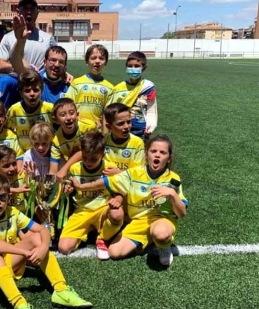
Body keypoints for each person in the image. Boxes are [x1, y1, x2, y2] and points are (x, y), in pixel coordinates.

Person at [0, 173, 93, 309]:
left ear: (9, 197)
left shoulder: (13, 212)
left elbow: (42, 230)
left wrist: (43, 247)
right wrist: (24, 252)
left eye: (2, 197)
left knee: (37, 238)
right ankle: (20, 304)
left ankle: (61, 291)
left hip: (5, 262)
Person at [70, 134, 188, 266]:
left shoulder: (173, 179)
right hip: (138, 221)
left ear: (168, 158)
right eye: (153, 151)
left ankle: (163, 245)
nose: (157, 155)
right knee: (114, 253)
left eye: (162, 152)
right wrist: (81, 187)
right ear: (146, 154)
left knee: (161, 234)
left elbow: (181, 213)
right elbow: (104, 182)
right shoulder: (133, 173)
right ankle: (149, 240)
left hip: (162, 220)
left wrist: (172, 194)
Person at [58, 130, 123, 260]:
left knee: (117, 214)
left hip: (103, 208)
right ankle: (88, 231)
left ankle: (102, 238)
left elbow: (121, 189)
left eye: (94, 158)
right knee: (64, 248)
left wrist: (118, 198)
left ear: (103, 155)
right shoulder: (75, 168)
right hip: (82, 211)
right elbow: (70, 187)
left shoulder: (110, 168)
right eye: (85, 157)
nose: (88, 161)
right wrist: (68, 189)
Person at [10, 13, 71, 104]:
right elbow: (15, 60)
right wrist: (20, 41)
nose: (57, 65)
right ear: (44, 62)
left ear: (65, 66)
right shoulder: (34, 78)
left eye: (61, 62)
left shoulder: (69, 85)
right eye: (53, 60)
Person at [0, 0, 57, 74]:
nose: (29, 12)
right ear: (18, 12)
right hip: (17, 83)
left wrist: (65, 74)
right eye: (25, 8)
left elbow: (58, 60)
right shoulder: (8, 38)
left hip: (39, 83)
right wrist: (23, 67)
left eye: (32, 9)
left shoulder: (48, 39)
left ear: (37, 13)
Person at [65, 44, 115, 127]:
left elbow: (108, 114)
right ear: (87, 61)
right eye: (93, 58)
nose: (97, 61)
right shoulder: (77, 83)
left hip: (95, 132)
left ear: (105, 62)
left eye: (101, 58)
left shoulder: (109, 88)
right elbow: (67, 106)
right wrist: (80, 118)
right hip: (77, 129)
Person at [113, 51, 157, 141]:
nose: (133, 68)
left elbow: (151, 110)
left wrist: (151, 126)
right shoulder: (118, 88)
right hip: (122, 130)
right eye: (130, 66)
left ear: (144, 68)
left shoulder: (148, 87)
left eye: (137, 66)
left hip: (142, 131)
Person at [49, 98, 96, 180]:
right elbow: (53, 171)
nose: (68, 118)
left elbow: (88, 151)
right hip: (75, 169)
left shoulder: (88, 127)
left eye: (71, 113)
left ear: (77, 114)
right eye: (63, 115)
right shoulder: (56, 140)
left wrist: (65, 168)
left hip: (95, 164)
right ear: (55, 120)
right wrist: (49, 183)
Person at [6, 69, 53, 151]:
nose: (32, 94)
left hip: (46, 153)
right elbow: (8, 131)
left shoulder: (49, 109)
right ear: (20, 93)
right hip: (23, 154)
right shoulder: (14, 110)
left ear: (41, 91)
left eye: (36, 90)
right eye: (27, 91)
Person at [102, 102, 145, 175]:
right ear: (109, 127)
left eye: (128, 122)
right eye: (121, 123)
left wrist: (119, 173)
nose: (126, 126)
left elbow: (139, 173)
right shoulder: (103, 141)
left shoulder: (137, 142)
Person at [0, 145, 31, 214]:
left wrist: (32, 175)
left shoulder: (19, 175)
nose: (12, 168)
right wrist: (17, 190)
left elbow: (32, 189)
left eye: (14, 164)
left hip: (23, 215)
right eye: (6, 166)